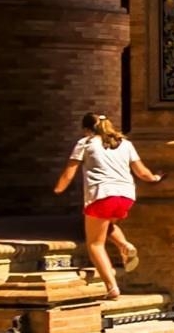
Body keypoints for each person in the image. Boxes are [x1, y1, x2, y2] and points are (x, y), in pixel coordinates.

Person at [50, 112, 156, 296]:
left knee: (94, 244)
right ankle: (125, 245)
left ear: (86, 129)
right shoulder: (125, 144)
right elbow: (142, 172)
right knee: (106, 225)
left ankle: (111, 286)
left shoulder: (85, 143)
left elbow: (69, 172)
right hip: (126, 196)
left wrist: (58, 190)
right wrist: (155, 177)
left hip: (102, 195)